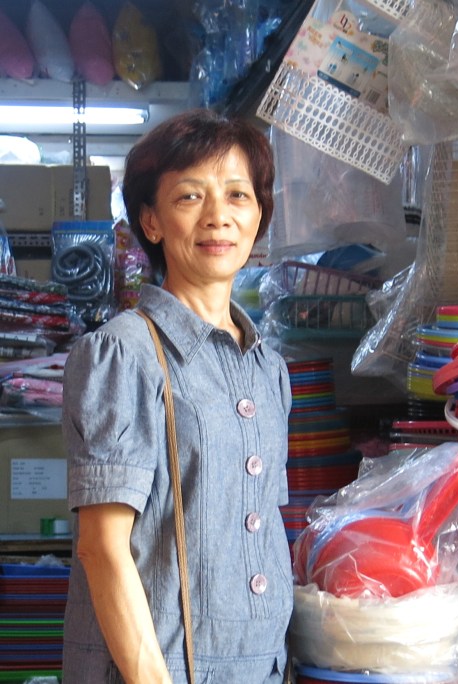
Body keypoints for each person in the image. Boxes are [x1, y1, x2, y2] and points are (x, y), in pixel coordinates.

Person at [61, 109, 293, 683]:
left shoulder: (269, 367)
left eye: (238, 195)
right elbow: (102, 548)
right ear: (152, 221)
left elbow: (257, 529)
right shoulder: (124, 354)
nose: (219, 216)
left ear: (258, 216)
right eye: (191, 197)